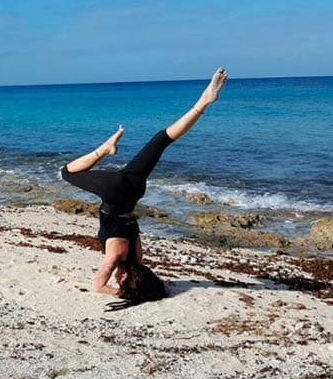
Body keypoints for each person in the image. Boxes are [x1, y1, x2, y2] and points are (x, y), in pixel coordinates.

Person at [61, 67, 228, 305]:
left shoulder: (137, 256)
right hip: (115, 192)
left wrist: (137, 287)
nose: (116, 278)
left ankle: (203, 102)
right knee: (66, 173)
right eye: (121, 280)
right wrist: (122, 293)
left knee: (161, 140)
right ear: (127, 276)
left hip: (134, 190)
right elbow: (98, 286)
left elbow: (127, 257)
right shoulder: (116, 256)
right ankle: (105, 149)